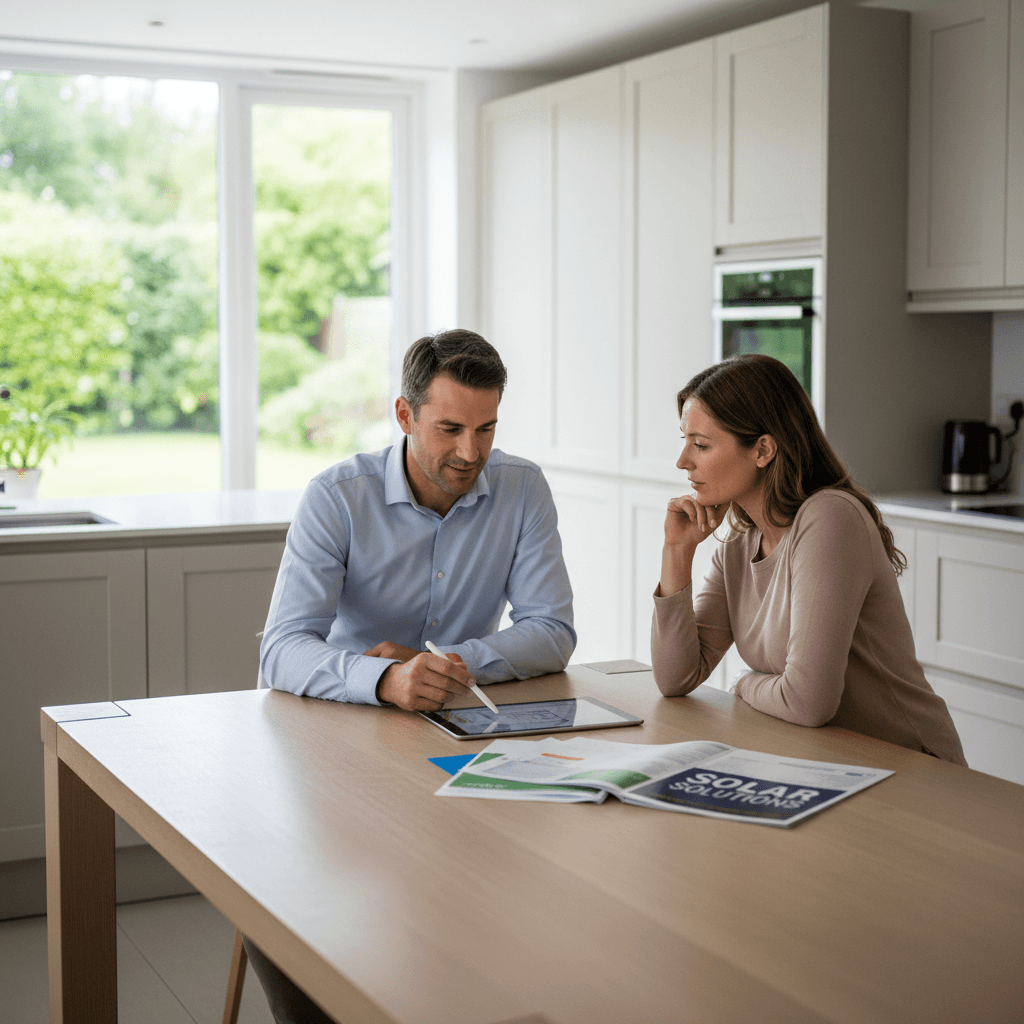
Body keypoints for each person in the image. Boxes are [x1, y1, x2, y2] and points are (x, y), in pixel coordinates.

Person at [246, 329, 576, 1023]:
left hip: (458, 740)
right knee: (310, 902)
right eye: (449, 428)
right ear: (404, 415)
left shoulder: (522, 488)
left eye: (486, 428)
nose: (470, 452)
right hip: (338, 746)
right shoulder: (336, 496)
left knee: (520, 896)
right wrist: (385, 682)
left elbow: (553, 629)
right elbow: (280, 650)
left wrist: (451, 663)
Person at [652, 353, 966, 765]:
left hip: (910, 766)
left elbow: (808, 702)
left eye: (701, 445)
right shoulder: (740, 544)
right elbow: (676, 678)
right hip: (824, 761)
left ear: (762, 449)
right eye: (685, 441)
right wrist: (677, 552)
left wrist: (746, 685)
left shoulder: (830, 519)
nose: (683, 462)